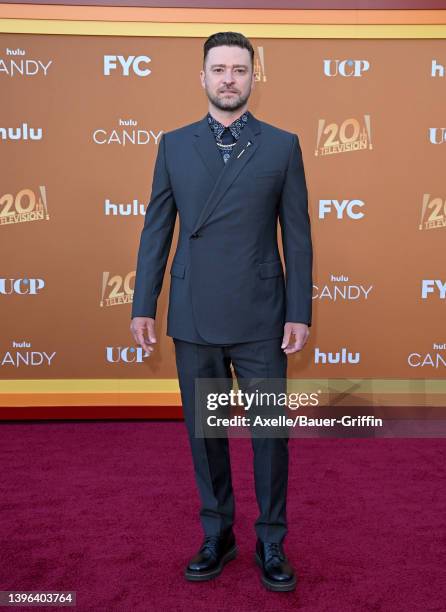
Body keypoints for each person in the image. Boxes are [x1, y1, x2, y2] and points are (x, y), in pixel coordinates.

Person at [130, 31, 313, 592]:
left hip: (262, 316)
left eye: (239, 69)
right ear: (202, 77)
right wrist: (144, 305)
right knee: (205, 436)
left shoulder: (282, 145)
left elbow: (298, 237)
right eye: (219, 69)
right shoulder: (174, 144)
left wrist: (299, 310)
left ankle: (272, 539)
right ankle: (219, 534)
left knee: (268, 436)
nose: (228, 78)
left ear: (254, 77)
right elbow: (157, 228)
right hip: (194, 313)